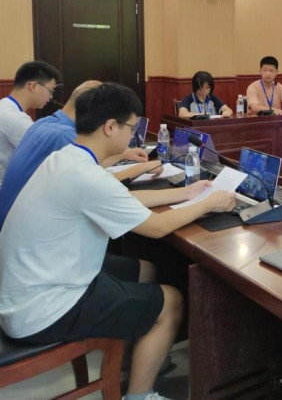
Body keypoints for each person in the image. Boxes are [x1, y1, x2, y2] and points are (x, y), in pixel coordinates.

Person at [0, 83, 235, 400]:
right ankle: (139, 394)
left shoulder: (67, 158)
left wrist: (187, 193)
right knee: (172, 302)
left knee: (146, 270)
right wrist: (208, 204)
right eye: (131, 127)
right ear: (110, 127)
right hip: (42, 309)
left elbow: (120, 200)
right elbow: (158, 227)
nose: (132, 134)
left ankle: (137, 358)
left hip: (30, 286)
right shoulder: (86, 176)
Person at [0, 81, 161, 230]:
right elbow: (94, 179)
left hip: (14, 219)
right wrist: (141, 168)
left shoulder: (45, 122)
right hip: (28, 226)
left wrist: (124, 154)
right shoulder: (67, 136)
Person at [0, 61, 61, 187]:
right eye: (50, 91)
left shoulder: (4, 106)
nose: (51, 97)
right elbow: (47, 157)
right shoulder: (15, 119)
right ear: (33, 86)